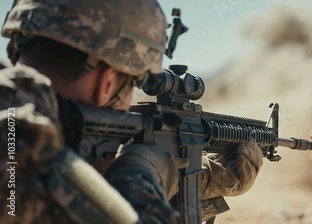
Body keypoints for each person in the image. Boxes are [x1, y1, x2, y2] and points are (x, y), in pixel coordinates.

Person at [0, 0, 263, 223]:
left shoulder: (19, 124)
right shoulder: (18, 135)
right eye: (135, 83)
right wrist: (140, 177)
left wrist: (198, 181)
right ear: (107, 82)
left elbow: (53, 197)